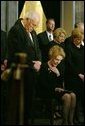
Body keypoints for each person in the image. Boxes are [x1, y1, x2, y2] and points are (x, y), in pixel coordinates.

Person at [7, 10, 42, 124]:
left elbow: (37, 49)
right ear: (27, 20)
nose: (34, 27)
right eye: (33, 24)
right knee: (21, 103)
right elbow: (17, 52)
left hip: (32, 73)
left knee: (29, 102)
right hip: (22, 73)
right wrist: (33, 64)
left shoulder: (32, 32)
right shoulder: (16, 30)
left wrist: (39, 62)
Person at [37, 45, 76, 125]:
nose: (58, 62)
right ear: (51, 56)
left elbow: (60, 83)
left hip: (57, 90)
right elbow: (42, 83)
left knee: (73, 95)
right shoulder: (44, 66)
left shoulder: (60, 66)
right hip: (46, 91)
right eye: (56, 59)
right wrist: (55, 88)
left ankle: (70, 121)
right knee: (67, 96)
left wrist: (58, 74)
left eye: (60, 60)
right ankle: (64, 122)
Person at [64, 28, 84, 124]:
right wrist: (78, 74)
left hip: (82, 77)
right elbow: (69, 63)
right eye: (77, 39)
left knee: (81, 98)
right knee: (75, 97)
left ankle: (80, 117)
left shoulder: (83, 47)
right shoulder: (69, 47)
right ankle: (73, 119)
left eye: (81, 39)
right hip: (72, 77)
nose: (79, 41)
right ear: (73, 38)